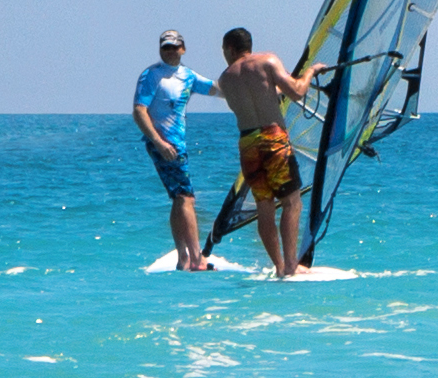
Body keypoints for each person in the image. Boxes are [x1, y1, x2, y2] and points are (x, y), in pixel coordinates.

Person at [210, 27, 316, 279]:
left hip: (248, 144)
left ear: (230, 49)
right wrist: (312, 71)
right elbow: (298, 91)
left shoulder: (225, 78)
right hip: (273, 139)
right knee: (292, 202)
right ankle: (291, 265)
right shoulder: (267, 60)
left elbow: (255, 97)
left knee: (264, 207)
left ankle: (279, 266)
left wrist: (275, 93)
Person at [133, 32, 221, 270]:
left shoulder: (187, 76)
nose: (170, 51)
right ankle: (196, 259)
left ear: (183, 48)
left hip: (177, 145)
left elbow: (215, 89)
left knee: (178, 198)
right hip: (164, 145)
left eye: (174, 47)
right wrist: (159, 143)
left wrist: (248, 89)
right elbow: (139, 111)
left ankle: (183, 258)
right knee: (186, 198)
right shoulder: (151, 76)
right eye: (166, 48)